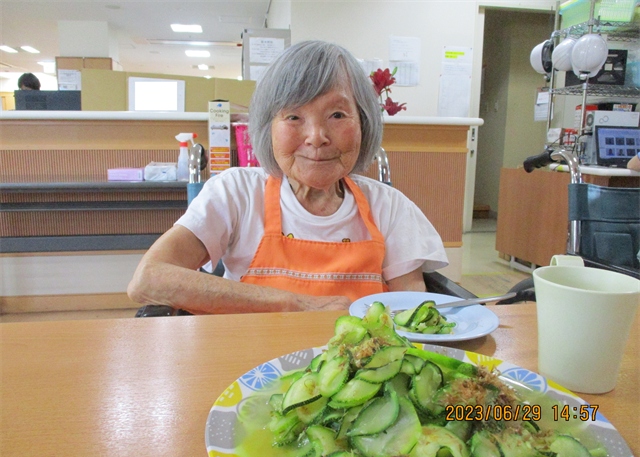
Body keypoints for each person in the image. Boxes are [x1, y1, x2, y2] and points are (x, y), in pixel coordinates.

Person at [128, 40, 448, 314]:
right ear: (269, 128)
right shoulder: (236, 193)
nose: (316, 136)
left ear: (364, 124)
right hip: (252, 370)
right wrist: (296, 305)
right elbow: (148, 279)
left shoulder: (390, 207)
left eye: (337, 114)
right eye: (294, 116)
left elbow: (414, 318)